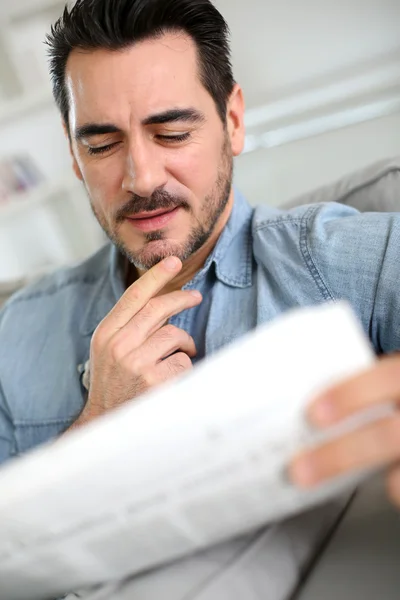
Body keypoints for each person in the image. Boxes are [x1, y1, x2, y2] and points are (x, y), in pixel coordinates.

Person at [0, 0, 399, 596]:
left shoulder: (353, 259)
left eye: (173, 132)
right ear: (73, 155)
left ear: (233, 121)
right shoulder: (17, 331)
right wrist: (96, 429)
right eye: (102, 144)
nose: (141, 176)